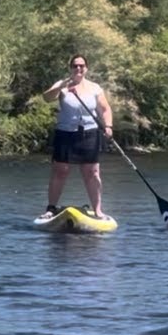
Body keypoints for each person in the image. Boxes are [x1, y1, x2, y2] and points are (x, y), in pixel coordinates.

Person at [40, 54, 113, 219]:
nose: (78, 69)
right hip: (65, 133)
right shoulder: (62, 85)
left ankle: (98, 210)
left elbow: (105, 109)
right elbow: (46, 98)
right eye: (75, 66)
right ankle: (51, 208)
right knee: (61, 170)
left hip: (89, 133)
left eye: (81, 66)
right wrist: (61, 87)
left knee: (92, 172)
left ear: (86, 68)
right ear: (70, 68)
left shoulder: (95, 88)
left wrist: (108, 126)